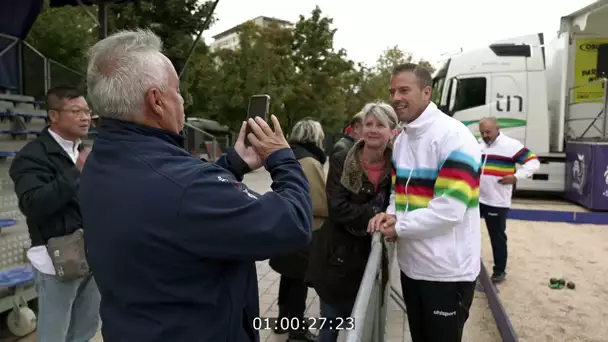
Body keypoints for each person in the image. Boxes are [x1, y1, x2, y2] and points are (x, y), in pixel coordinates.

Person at [78, 29, 313, 342]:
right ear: (156, 101)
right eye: (177, 90)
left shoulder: (100, 160)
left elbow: (169, 203)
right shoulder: (185, 186)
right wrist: (283, 158)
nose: (183, 99)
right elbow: (292, 223)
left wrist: (232, 165)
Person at [369, 63, 481, 342]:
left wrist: (399, 227)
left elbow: (449, 211)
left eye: (404, 90)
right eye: (392, 91)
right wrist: (391, 215)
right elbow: (398, 194)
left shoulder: (455, 137)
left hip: (447, 272)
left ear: (427, 92)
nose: (395, 98)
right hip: (411, 266)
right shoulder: (404, 140)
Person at [9, 86, 100, 342]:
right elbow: (33, 204)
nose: (85, 117)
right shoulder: (31, 156)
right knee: (55, 333)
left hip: (93, 253)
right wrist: (76, 173)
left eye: (87, 111)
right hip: (56, 259)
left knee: (86, 327)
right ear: (53, 116)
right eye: (76, 111)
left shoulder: (86, 150)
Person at [307, 102, 397, 342]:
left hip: (371, 258)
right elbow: (337, 209)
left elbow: (400, 204)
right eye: (369, 124)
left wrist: (383, 214)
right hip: (337, 257)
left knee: (364, 325)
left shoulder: (399, 163)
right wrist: (377, 212)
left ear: (393, 131)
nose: (373, 130)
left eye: (380, 125)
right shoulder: (342, 159)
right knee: (330, 326)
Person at [269, 118, 328, 342]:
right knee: (298, 281)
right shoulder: (310, 162)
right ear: (315, 137)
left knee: (288, 276)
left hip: (283, 224)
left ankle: (283, 320)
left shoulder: (288, 155)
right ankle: (297, 330)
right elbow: (318, 202)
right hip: (303, 229)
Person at [478, 116, 540, 283]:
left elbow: (533, 162)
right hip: (476, 198)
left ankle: (499, 271)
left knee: (496, 236)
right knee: (469, 233)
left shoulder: (511, 145)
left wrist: (516, 176)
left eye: (488, 132)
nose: (485, 135)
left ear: (497, 129)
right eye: (482, 132)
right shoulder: (479, 145)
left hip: (496, 200)